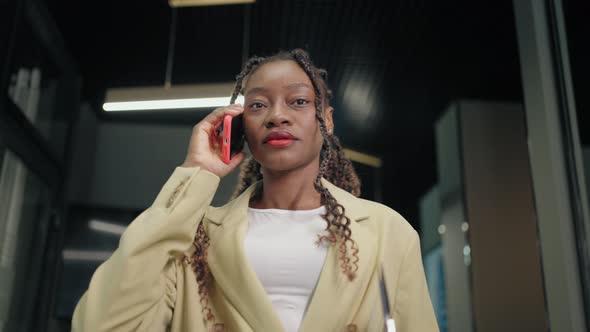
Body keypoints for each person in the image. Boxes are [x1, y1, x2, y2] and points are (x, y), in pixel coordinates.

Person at [71, 49, 439, 332]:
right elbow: (104, 324)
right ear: (239, 126)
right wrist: (197, 172)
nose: (277, 116)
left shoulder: (388, 231)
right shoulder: (195, 237)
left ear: (325, 120)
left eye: (298, 101)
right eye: (258, 105)